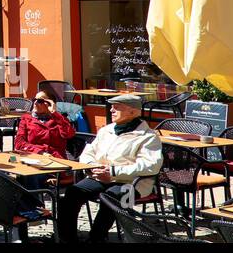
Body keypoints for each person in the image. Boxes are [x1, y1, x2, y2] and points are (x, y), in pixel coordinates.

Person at [57, 95, 163, 243]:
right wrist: (92, 168)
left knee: (111, 198)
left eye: (117, 107)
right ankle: (67, 239)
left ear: (133, 112)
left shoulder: (148, 136)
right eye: (112, 106)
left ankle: (96, 238)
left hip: (132, 183)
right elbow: (88, 153)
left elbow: (151, 165)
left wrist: (113, 172)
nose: (111, 110)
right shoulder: (106, 130)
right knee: (72, 193)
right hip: (100, 177)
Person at [14, 91, 75, 159]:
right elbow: (19, 143)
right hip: (33, 157)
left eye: (40, 101)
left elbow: (69, 134)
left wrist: (54, 113)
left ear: (50, 103)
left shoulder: (59, 119)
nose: (35, 103)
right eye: (34, 100)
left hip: (56, 158)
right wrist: (40, 152)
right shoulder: (26, 119)